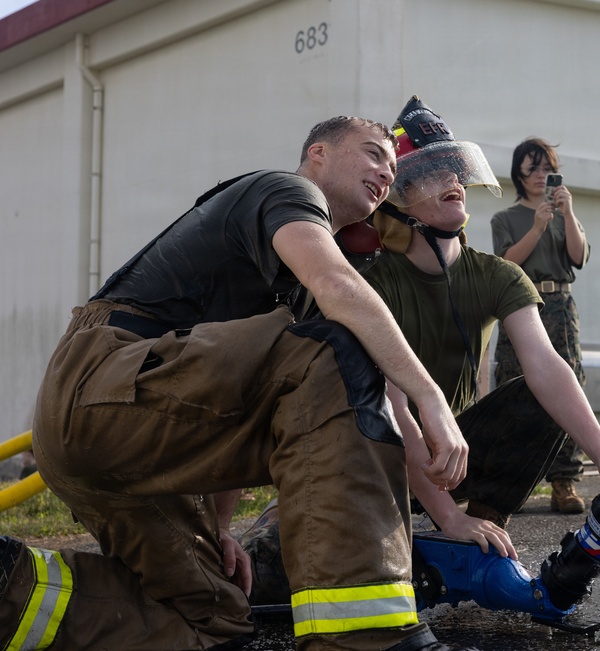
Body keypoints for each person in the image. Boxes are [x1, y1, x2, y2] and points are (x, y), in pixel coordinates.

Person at [1, 116, 478, 651]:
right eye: (372, 155)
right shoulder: (286, 190)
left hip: (112, 429)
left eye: (392, 169)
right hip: (103, 375)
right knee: (338, 343)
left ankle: (10, 589)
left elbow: (235, 403)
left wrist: (220, 529)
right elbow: (335, 284)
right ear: (317, 153)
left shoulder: (291, 301)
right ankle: (369, 639)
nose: (385, 173)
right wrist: (428, 394)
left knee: (214, 615)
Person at [241, 97, 600, 603]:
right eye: (432, 174)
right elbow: (392, 404)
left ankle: (479, 534)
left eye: (455, 170)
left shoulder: (496, 273)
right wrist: (447, 515)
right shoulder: (370, 282)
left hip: (452, 453)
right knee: (270, 574)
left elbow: (547, 366)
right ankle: (303, 521)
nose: (454, 182)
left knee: (538, 397)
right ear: (397, 200)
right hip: (378, 454)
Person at [489, 138, 590, 514]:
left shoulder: (566, 215)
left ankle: (564, 480)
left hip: (560, 305)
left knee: (568, 386)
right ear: (518, 173)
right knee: (517, 389)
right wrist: (536, 227)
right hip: (520, 304)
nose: (539, 176)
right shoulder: (505, 218)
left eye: (546, 168)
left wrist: (569, 212)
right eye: (531, 169)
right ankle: (513, 481)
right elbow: (508, 263)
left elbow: (578, 257)